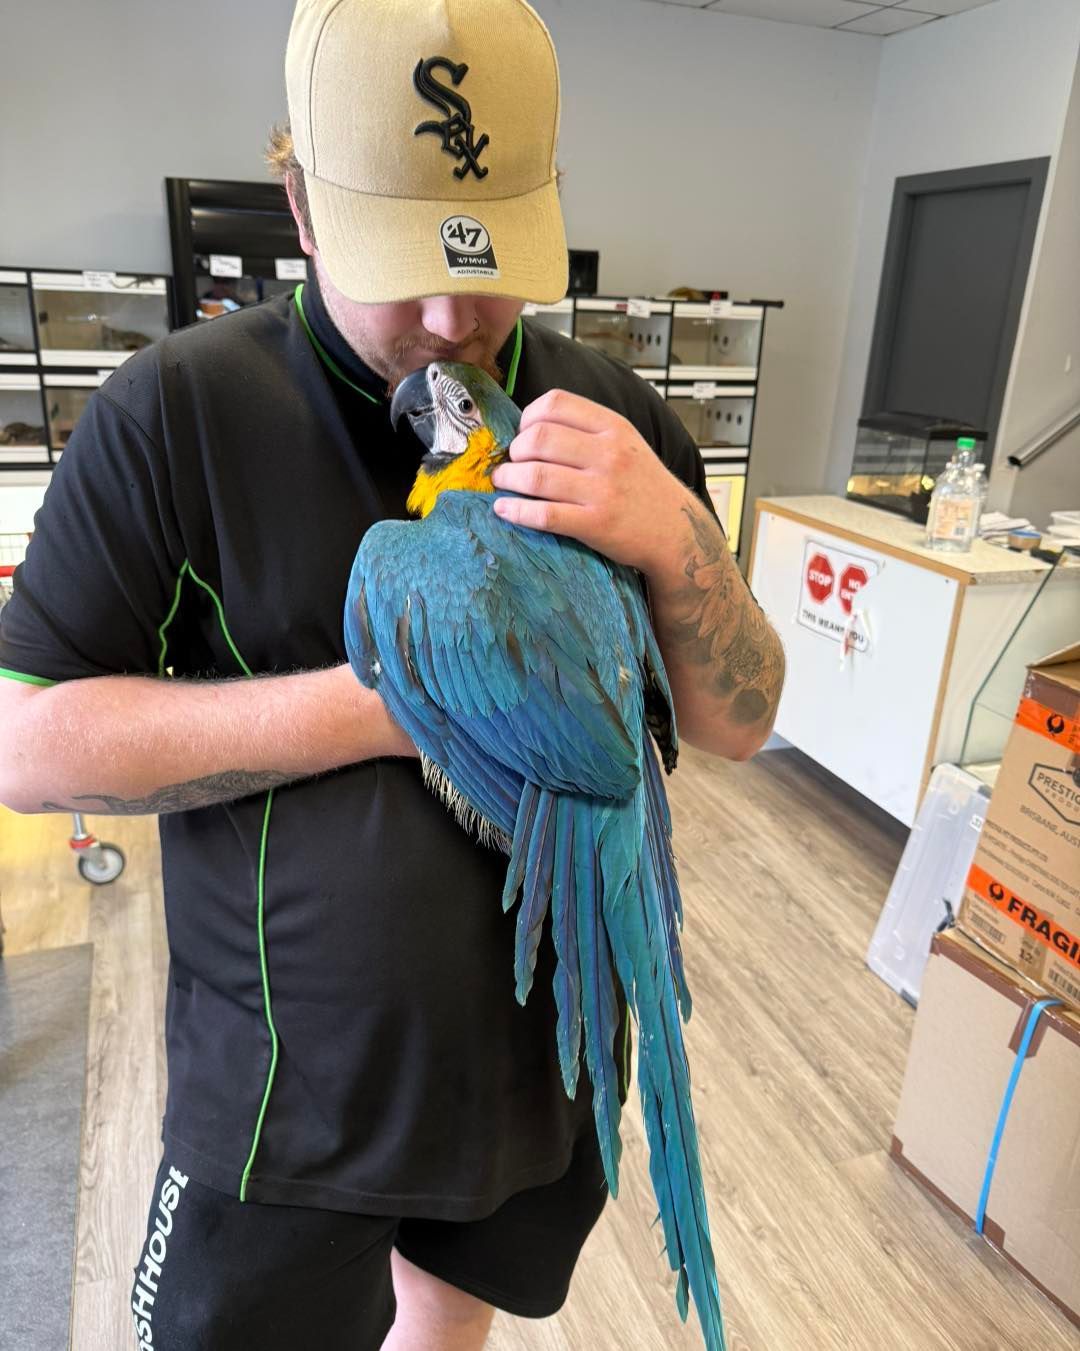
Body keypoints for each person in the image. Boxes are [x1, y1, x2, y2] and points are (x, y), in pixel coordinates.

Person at [0, 0, 785, 1346]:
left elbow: (741, 723)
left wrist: (675, 539)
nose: (450, 318)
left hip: (544, 1061)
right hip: (283, 1110)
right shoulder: (174, 413)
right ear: (299, 204)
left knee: (451, 1320)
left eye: (488, 269)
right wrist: (390, 705)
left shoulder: (613, 417)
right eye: (399, 263)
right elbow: (29, 749)